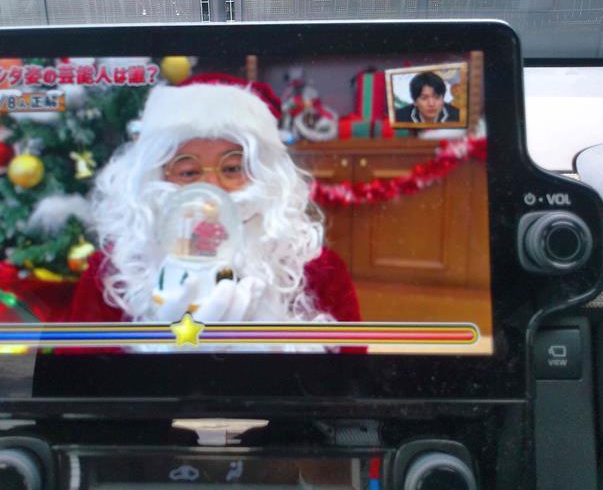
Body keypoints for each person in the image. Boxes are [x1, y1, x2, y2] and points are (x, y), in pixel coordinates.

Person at [71, 82, 360, 332]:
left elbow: (351, 370)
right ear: (155, 177)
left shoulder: (320, 270)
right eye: (188, 172)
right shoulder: (113, 272)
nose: (212, 190)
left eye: (232, 168)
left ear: (264, 176)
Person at [395, 71, 460, 124]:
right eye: (424, 98)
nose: (431, 104)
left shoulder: (457, 116)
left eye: (437, 97)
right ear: (415, 101)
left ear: (443, 99)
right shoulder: (398, 118)